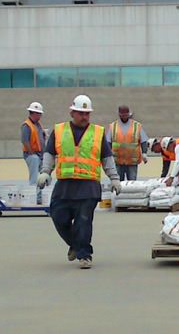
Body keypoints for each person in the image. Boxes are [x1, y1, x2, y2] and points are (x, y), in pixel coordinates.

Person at [37, 95, 121, 268]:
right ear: (72, 112)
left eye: (87, 114)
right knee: (58, 216)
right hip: (65, 185)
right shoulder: (59, 130)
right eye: (81, 113)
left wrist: (114, 178)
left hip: (88, 185)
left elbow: (106, 157)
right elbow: (49, 152)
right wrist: (45, 172)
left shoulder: (98, 132)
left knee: (83, 221)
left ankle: (84, 255)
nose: (84, 117)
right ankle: (75, 245)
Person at [108, 105, 147, 182]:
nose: (124, 117)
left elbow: (143, 140)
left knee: (132, 183)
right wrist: (108, 156)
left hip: (132, 161)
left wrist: (144, 153)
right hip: (118, 161)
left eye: (126, 115)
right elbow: (108, 142)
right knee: (118, 183)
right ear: (119, 115)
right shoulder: (113, 126)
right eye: (123, 115)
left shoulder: (137, 126)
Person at [21, 102, 48, 181]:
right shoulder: (26, 125)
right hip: (32, 155)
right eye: (39, 114)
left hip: (40, 154)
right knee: (34, 177)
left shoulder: (38, 124)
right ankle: (33, 191)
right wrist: (32, 153)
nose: (40, 116)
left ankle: (39, 192)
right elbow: (25, 141)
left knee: (42, 176)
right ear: (34, 113)